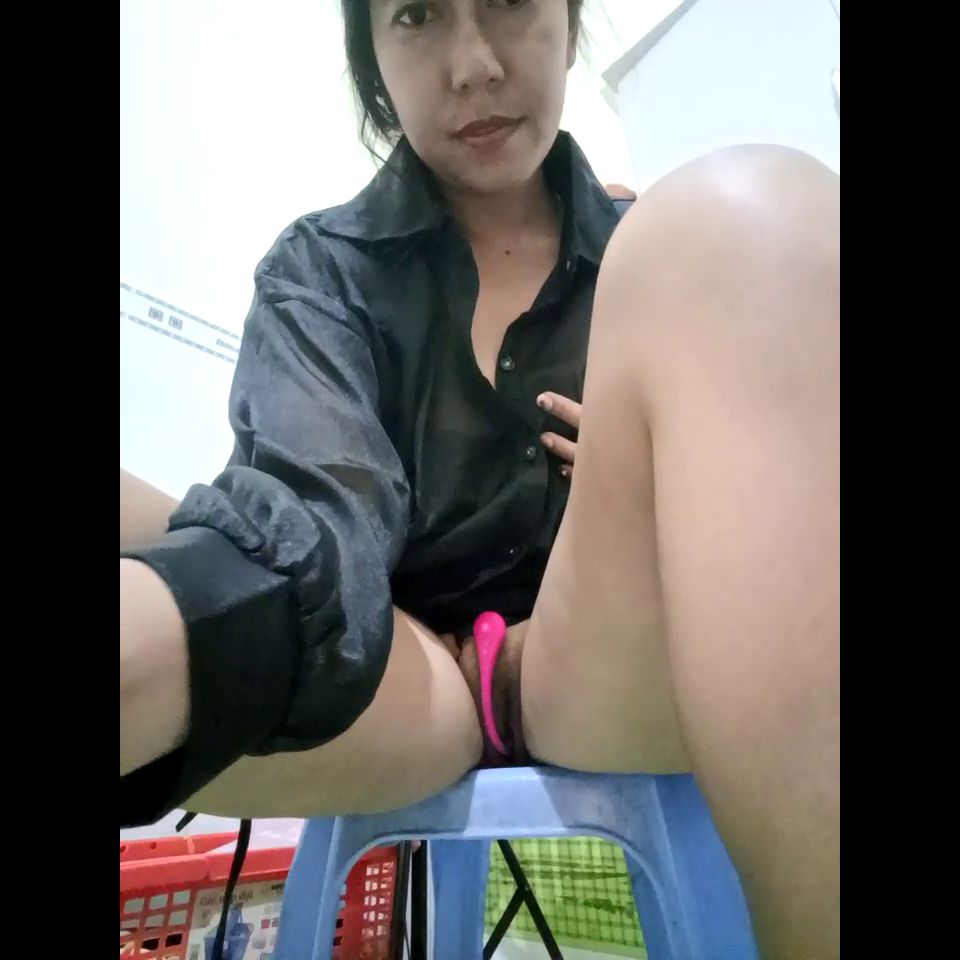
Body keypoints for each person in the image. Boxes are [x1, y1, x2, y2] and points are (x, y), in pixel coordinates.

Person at [120, 2, 840, 957]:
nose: (472, 66)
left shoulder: (668, 265)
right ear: (373, 60)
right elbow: (316, 517)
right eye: (417, 14)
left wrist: (667, 466)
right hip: (397, 679)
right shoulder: (320, 271)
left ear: (569, 21)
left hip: (598, 665)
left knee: (754, 214)